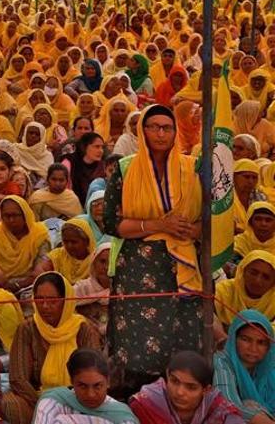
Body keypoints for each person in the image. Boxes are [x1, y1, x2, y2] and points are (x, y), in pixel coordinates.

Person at [105, 104, 204, 396]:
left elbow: (207, 219)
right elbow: (113, 223)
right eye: (154, 127)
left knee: (182, 341)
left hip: (180, 264)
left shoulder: (192, 167)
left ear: (175, 132)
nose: (161, 133)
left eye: (167, 127)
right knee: (137, 347)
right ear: (142, 130)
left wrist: (193, 230)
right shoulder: (125, 168)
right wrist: (159, 224)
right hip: (138, 267)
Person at [3, 272, 104, 424]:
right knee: (11, 404)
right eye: (39, 300)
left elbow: (92, 375)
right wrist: (46, 403)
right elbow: (18, 378)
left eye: (52, 300)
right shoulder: (28, 328)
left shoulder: (84, 329)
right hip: (37, 398)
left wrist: (64, 402)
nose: (45, 306)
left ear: (66, 300)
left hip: (78, 399)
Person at [129, 351, 244, 424]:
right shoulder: (146, 404)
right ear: (167, 375)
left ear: (206, 390)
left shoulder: (219, 410)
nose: (179, 392)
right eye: (174, 381)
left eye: (191, 387)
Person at [33, 348, 138, 422]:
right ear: (72, 381)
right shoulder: (53, 403)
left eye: (97, 386)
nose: (90, 394)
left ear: (108, 382)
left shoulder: (122, 416)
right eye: (82, 386)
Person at [213, 310, 275, 424]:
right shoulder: (222, 362)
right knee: (249, 405)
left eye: (261, 342)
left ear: (268, 347)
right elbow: (228, 405)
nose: (253, 348)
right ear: (233, 338)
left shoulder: (269, 367)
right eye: (246, 339)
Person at [0, 195, 50, 295]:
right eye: (6, 216)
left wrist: (17, 285)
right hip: (0, 286)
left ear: (25, 215)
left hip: (31, 286)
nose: (11, 220)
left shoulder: (39, 235)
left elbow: (40, 272)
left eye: (15, 215)